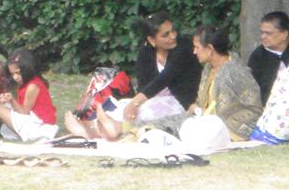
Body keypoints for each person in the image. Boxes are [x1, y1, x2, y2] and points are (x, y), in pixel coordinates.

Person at [64, 12, 201, 140]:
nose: (173, 36)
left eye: (172, 31)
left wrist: (135, 103)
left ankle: (109, 130)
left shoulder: (184, 48)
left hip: (181, 103)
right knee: (124, 106)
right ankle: (90, 128)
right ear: (152, 40)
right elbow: (144, 86)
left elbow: (163, 79)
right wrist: (134, 104)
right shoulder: (146, 53)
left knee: (142, 110)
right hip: (151, 99)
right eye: (165, 35)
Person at [0, 48, 57, 141]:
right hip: (31, 121)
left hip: (39, 127)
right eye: (12, 74)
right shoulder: (25, 83)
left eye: (18, 73)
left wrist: (11, 100)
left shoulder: (33, 86)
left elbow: (24, 112)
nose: (15, 77)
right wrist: (6, 101)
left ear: (28, 69)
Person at [189, 25, 263, 141]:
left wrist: (214, 121)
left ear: (209, 48)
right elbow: (201, 105)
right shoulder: (208, 69)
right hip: (206, 123)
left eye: (197, 47)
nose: (194, 52)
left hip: (228, 127)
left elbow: (255, 110)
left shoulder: (236, 71)